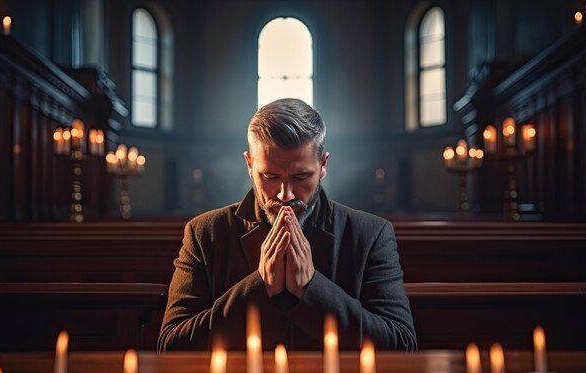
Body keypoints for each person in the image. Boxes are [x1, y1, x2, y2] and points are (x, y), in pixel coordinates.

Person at [158, 98, 416, 352]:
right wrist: (260, 286)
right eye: (270, 176)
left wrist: (311, 288)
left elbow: (402, 344)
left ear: (323, 165)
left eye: (301, 176)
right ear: (249, 164)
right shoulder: (205, 233)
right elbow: (171, 345)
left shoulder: (371, 234)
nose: (285, 194)